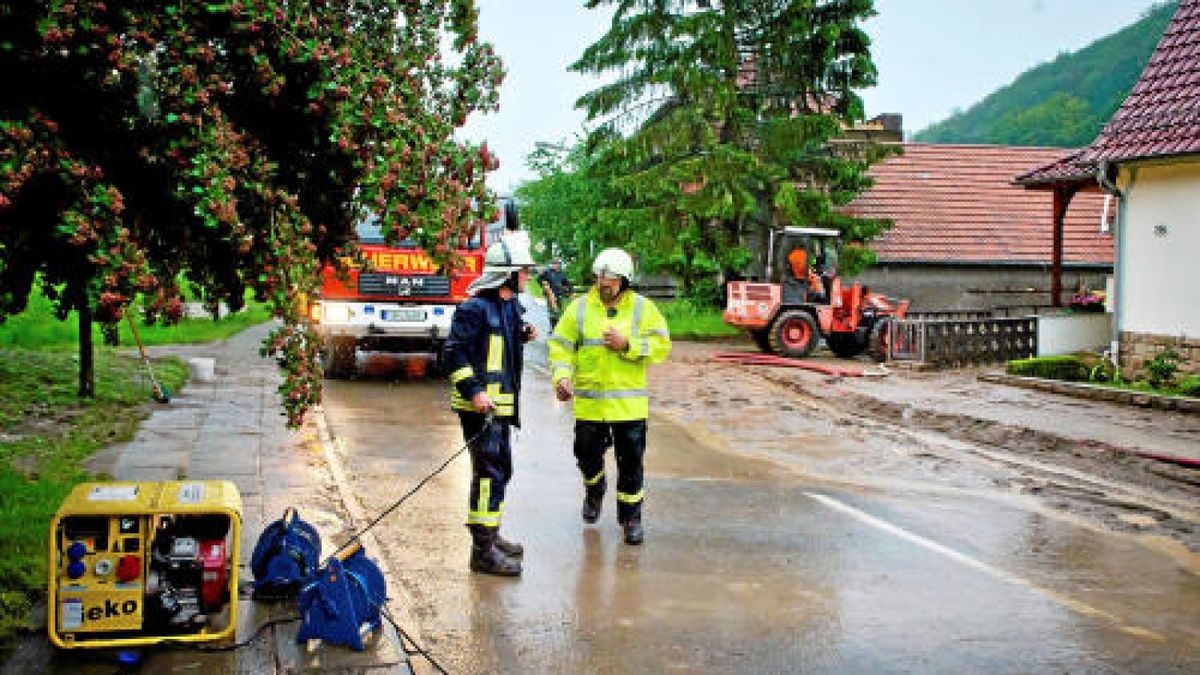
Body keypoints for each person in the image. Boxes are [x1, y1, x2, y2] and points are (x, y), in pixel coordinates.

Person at [547, 248, 671, 545]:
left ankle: (631, 518)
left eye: (610, 281)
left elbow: (661, 346)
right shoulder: (579, 308)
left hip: (629, 407)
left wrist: (628, 344)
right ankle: (595, 488)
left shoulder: (643, 309)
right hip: (591, 405)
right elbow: (560, 346)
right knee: (585, 454)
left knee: (631, 464)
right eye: (600, 278)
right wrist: (561, 376)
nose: (603, 285)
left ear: (624, 281)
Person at [443, 238, 537, 576]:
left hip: (501, 408)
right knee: (488, 475)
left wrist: (523, 334)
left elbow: (500, 344)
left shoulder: (509, 306)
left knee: (501, 471)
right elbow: (454, 354)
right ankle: (481, 551)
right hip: (480, 410)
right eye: (524, 271)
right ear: (507, 275)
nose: (528, 276)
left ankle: (491, 537)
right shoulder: (473, 309)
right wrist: (475, 393)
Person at [538, 257, 572, 326]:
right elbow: (539, 279)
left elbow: (567, 284)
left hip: (559, 295)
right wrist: (544, 285)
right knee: (553, 311)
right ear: (552, 264)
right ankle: (553, 327)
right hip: (550, 294)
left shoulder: (561, 274)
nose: (557, 265)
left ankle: (557, 325)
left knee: (559, 310)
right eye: (555, 263)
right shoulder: (547, 272)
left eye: (558, 264)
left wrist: (569, 291)